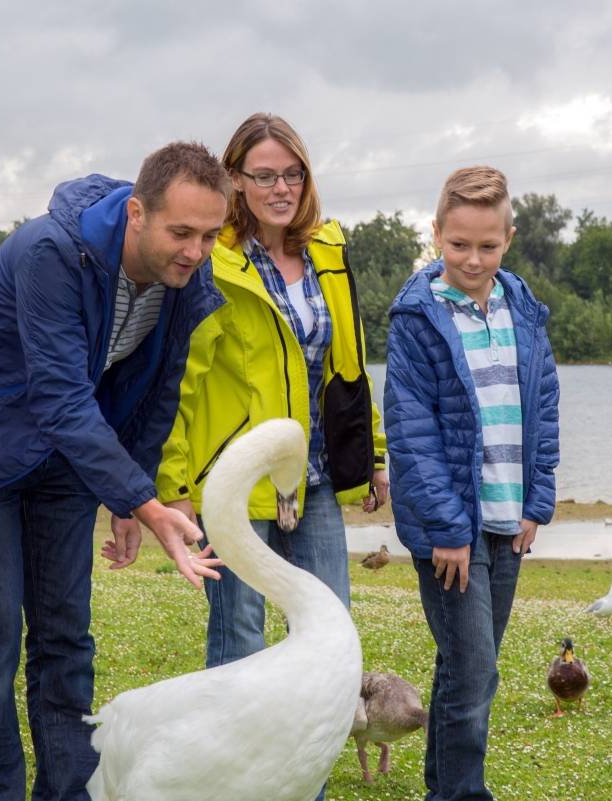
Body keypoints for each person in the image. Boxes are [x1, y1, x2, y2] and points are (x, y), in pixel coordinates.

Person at [0, 141, 231, 801]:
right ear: (138, 214)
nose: (195, 250)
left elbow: (157, 393)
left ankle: (67, 793)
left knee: (65, 632)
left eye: (209, 235)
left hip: (63, 445)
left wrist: (126, 494)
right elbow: (60, 396)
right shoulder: (51, 253)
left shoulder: (185, 277)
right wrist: (145, 503)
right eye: (181, 231)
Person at [158, 113, 388, 675]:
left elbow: (348, 364)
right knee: (241, 633)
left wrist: (374, 453)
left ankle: (308, 757)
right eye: (264, 176)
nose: (281, 189)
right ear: (234, 178)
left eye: (293, 174)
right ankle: (236, 762)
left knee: (330, 625)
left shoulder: (328, 253)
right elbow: (179, 384)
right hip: (234, 481)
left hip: (316, 474)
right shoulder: (215, 264)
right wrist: (175, 487)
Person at [383, 166, 560, 801]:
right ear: (436, 235)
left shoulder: (524, 309)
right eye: (458, 245)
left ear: (508, 238)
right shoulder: (417, 316)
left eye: (487, 245)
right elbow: (411, 433)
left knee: (464, 667)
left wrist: (538, 499)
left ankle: (443, 789)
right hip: (451, 530)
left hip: (509, 520)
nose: (472, 258)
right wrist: (448, 533)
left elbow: (543, 408)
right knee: (475, 669)